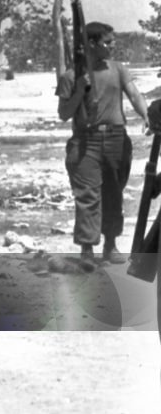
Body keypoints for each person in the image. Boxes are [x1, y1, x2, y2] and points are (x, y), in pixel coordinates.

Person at [57, 21, 147, 264]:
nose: (113, 46)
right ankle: (87, 249)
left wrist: (147, 115)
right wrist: (79, 90)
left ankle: (111, 245)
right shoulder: (71, 76)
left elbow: (135, 94)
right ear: (92, 44)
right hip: (86, 141)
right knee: (87, 196)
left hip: (117, 139)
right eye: (108, 42)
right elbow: (64, 113)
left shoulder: (118, 69)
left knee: (113, 193)